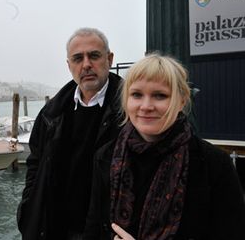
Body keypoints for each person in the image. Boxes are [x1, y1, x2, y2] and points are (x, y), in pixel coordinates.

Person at [83, 54, 245, 240]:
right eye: (136, 94)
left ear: (182, 101)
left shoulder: (214, 165)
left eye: (160, 95)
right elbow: (93, 228)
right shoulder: (106, 156)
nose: (146, 106)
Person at [17, 27, 123, 239]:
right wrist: (29, 209)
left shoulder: (130, 109)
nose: (86, 65)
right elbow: (35, 163)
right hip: (56, 228)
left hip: (106, 231)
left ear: (109, 59)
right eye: (77, 58)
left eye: (94, 55)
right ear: (69, 65)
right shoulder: (51, 112)